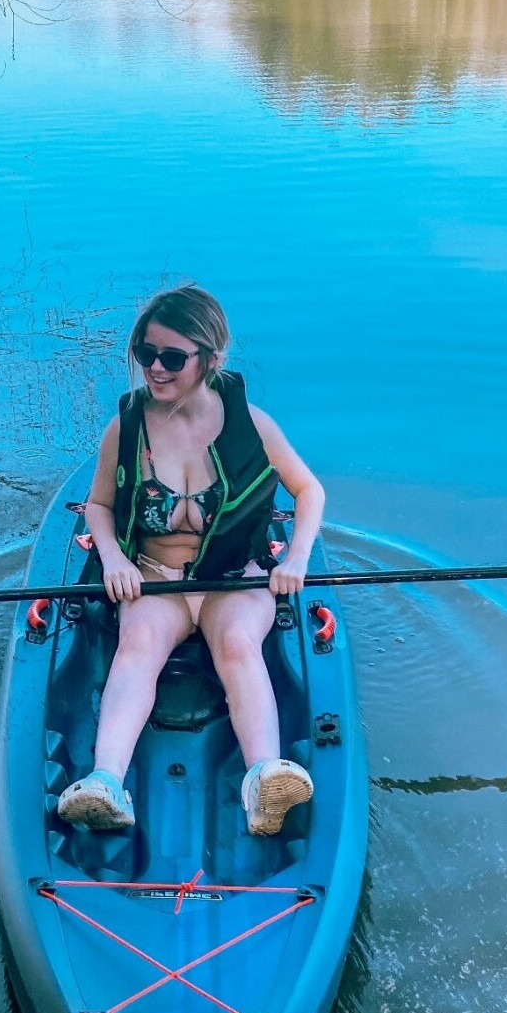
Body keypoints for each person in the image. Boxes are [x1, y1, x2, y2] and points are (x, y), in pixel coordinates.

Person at [57, 284, 325, 837]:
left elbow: (309, 492)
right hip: (154, 580)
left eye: (172, 358)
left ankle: (264, 780)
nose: (155, 369)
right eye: (145, 353)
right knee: (137, 646)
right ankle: (106, 782)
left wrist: (295, 557)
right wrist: (112, 559)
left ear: (211, 358)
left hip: (233, 579)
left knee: (237, 645)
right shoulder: (127, 427)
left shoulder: (253, 424)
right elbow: (100, 505)